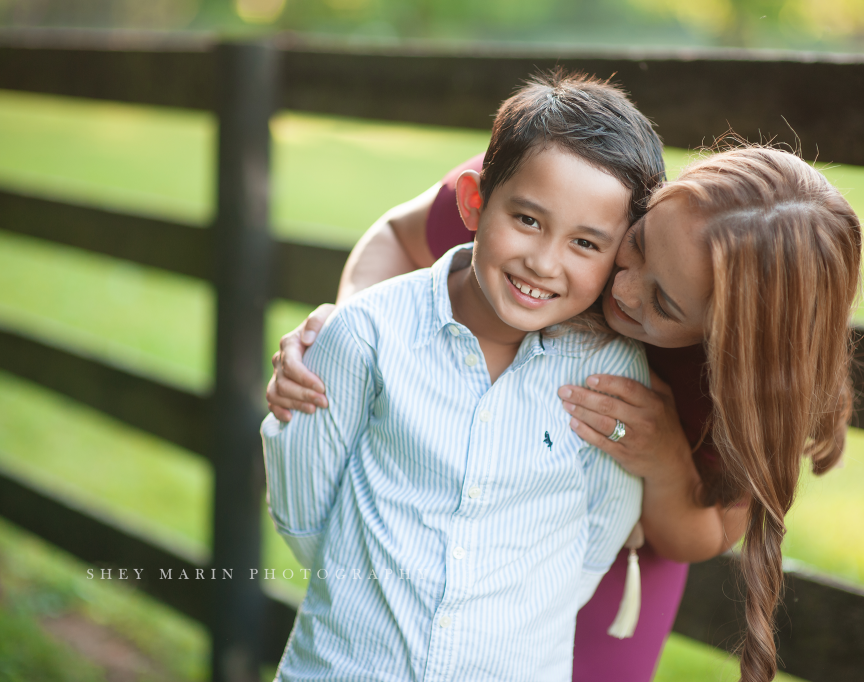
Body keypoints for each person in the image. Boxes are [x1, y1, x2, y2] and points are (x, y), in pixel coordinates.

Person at [269, 143, 863, 682]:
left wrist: (663, 462)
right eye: (638, 244)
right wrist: (345, 331)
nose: (623, 291)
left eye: (662, 302)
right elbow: (397, 236)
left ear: (727, 339)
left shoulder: (739, 384)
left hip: (620, 551)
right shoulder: (556, 200)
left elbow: (705, 534)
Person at [261, 71, 677, 681]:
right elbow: (302, 505)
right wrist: (368, 582)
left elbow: (600, 524)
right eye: (529, 220)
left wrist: (521, 608)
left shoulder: (610, 372)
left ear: (619, 255)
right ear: (473, 202)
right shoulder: (370, 332)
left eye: (586, 244)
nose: (544, 261)